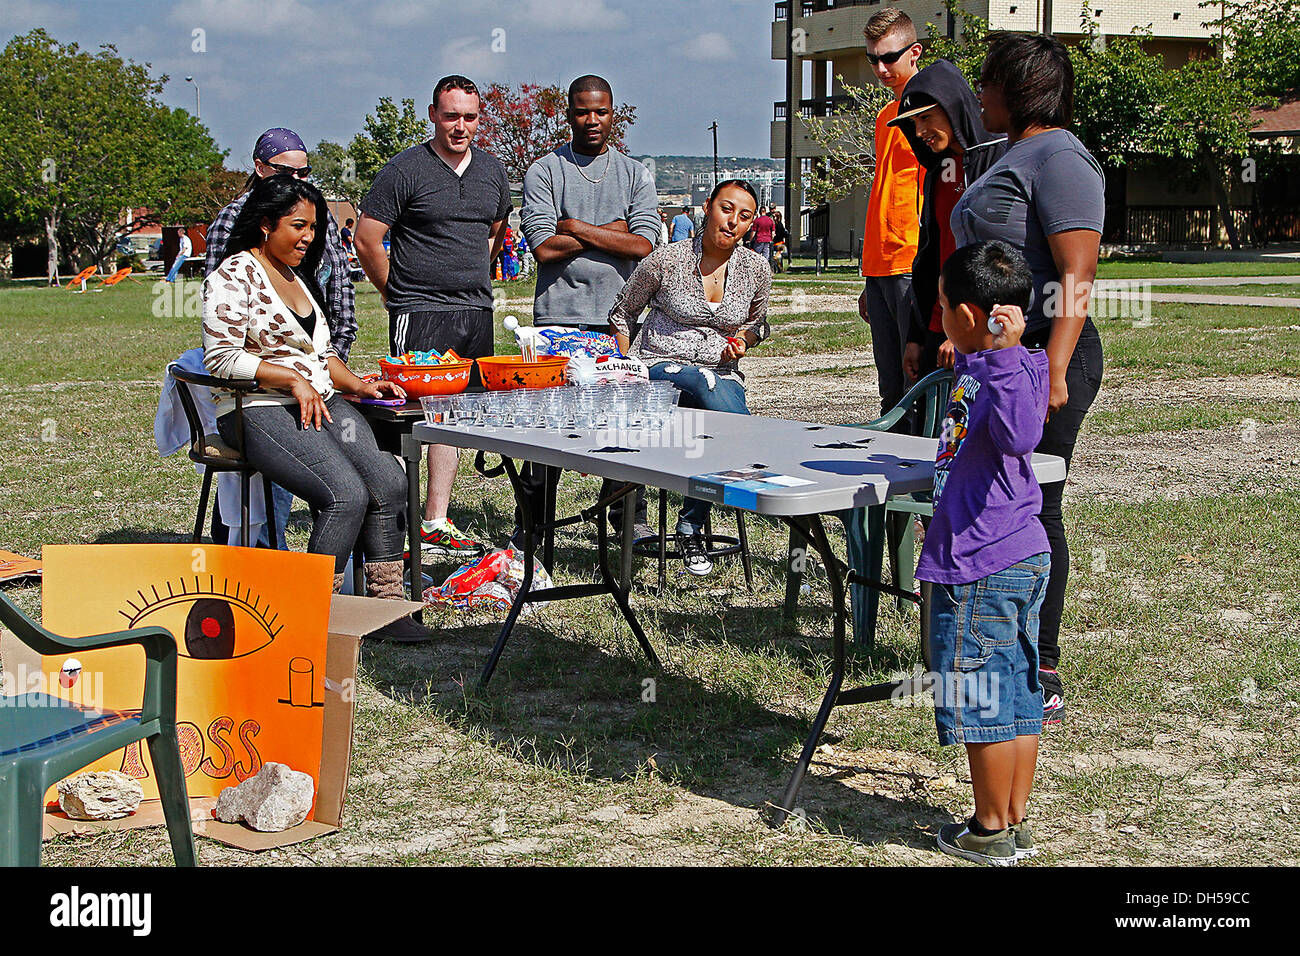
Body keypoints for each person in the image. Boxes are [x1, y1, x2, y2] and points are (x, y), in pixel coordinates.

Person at [951, 33, 1106, 724]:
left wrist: (1055, 371)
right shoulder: (1008, 153)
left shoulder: (1061, 155)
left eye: (987, 81)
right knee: (989, 497)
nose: (978, 94)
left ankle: (1040, 667)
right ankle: (989, 646)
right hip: (997, 355)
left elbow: (1078, 273)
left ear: (1018, 86)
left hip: (1045, 355)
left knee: (1036, 506)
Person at [201, 175, 428, 642]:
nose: (309, 237)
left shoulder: (296, 276)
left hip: (317, 399)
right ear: (266, 224)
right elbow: (220, 356)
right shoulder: (232, 275)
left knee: (387, 480)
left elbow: (321, 356)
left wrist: (362, 386)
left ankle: (384, 608)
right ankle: (309, 617)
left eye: (314, 226)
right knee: (344, 494)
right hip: (255, 406)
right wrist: (291, 379)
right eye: (298, 226)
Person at [915, 240, 1050, 865]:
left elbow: (1020, 432)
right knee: (1017, 689)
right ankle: (1012, 818)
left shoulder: (1013, 368)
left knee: (982, 692)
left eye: (943, 307)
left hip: (987, 562)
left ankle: (992, 828)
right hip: (1002, 551)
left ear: (970, 314)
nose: (936, 316)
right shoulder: (987, 363)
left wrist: (999, 353)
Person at [355, 74, 512, 558]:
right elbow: (366, 238)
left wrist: (472, 278)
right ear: (433, 115)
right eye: (450, 116)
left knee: (457, 415)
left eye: (469, 117)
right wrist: (394, 292)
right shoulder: (405, 170)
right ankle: (393, 518)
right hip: (418, 311)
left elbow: (496, 231)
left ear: (479, 118)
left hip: (473, 311)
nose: (459, 126)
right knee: (410, 415)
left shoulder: (492, 171)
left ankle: (435, 520)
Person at [519, 74, 661, 542]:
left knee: (622, 423)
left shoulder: (635, 173)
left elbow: (643, 246)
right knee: (549, 427)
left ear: (613, 112)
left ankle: (625, 522)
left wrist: (575, 225)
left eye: (601, 111)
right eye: (582, 111)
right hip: (556, 316)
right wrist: (611, 231)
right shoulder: (544, 171)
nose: (592, 120)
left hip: (618, 320)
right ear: (569, 114)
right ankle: (535, 526)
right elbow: (543, 247)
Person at [205, 127, 358, 550]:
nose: (297, 180)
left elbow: (336, 307)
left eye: (304, 172)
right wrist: (291, 376)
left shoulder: (297, 263)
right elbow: (223, 344)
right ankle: (274, 567)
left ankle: (375, 597)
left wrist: (344, 377)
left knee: (381, 483)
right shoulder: (237, 263)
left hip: (320, 385)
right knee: (334, 491)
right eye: (286, 172)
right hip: (259, 397)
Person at [607, 180, 771, 575]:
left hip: (722, 368)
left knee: (715, 394)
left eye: (744, 216)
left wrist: (743, 342)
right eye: (726, 209)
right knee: (703, 386)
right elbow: (622, 313)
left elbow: (758, 323)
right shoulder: (665, 260)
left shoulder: (755, 269)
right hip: (661, 365)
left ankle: (691, 521)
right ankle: (748, 456)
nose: (732, 222)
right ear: (707, 208)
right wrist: (628, 364)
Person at [887, 59, 1008, 380]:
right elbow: (929, 256)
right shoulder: (938, 171)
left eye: (926, 117)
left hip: (981, 332)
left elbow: (1001, 257)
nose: (920, 131)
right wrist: (916, 334)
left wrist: (968, 333)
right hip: (937, 330)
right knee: (928, 427)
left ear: (953, 108)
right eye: (913, 123)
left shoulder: (1000, 160)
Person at [857, 8, 924, 426]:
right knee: (890, 385)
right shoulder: (886, 115)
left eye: (889, 57)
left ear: (914, 51)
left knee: (917, 379)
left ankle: (922, 484)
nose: (881, 68)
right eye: (873, 59)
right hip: (881, 265)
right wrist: (870, 274)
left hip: (912, 258)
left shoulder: (931, 106)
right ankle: (890, 481)